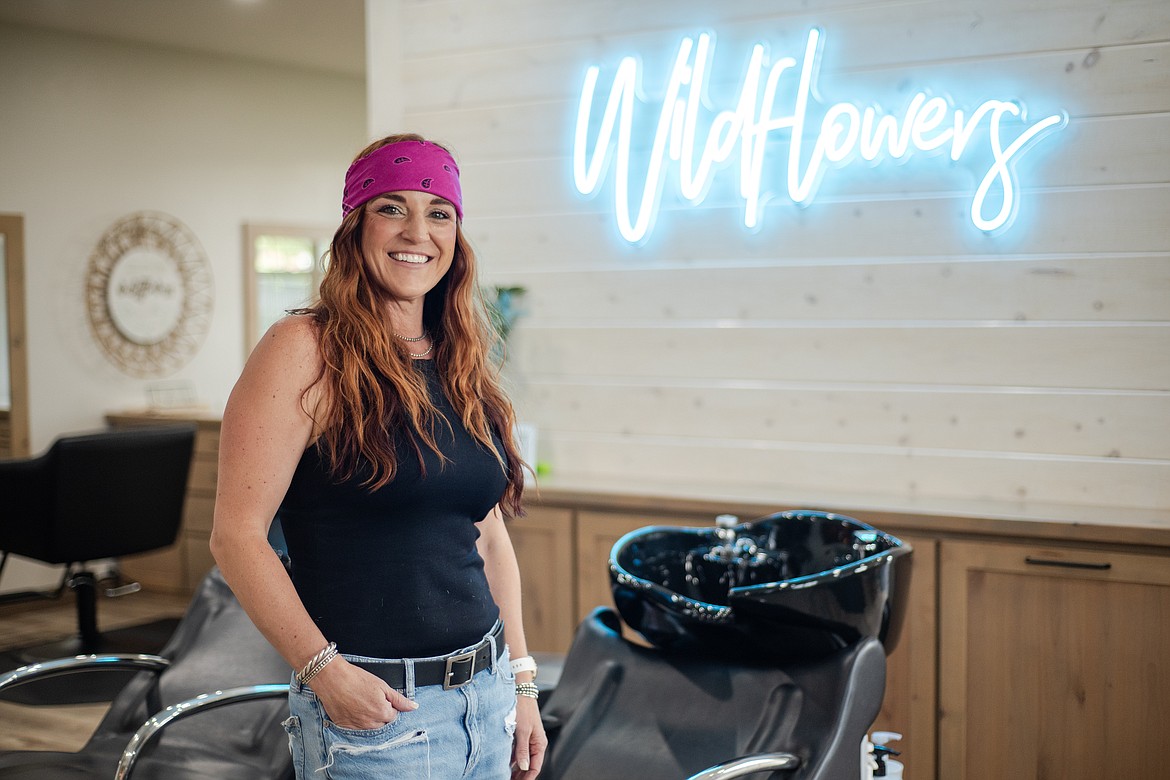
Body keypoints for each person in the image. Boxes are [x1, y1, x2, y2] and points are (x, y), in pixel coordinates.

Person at [210, 133, 547, 779]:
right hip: (381, 716)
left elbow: (487, 535)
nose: (417, 230)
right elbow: (236, 537)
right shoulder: (304, 348)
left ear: (456, 235)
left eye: (438, 212)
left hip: (488, 695)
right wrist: (325, 673)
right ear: (355, 227)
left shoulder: (458, 357)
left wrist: (523, 682)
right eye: (391, 207)